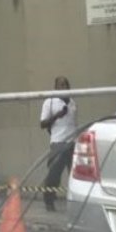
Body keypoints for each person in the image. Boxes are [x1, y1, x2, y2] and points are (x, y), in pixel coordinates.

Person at [40, 76, 77, 212]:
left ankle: (76, 202)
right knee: (54, 174)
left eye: (66, 85)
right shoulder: (49, 102)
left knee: (75, 175)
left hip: (72, 142)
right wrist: (58, 115)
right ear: (55, 88)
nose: (64, 88)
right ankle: (49, 200)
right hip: (58, 142)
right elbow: (43, 124)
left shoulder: (72, 102)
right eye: (61, 85)